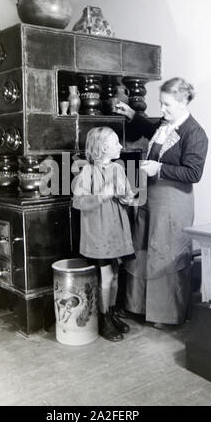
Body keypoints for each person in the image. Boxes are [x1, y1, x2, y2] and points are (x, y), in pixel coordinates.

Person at [115, 77, 208, 329]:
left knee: (166, 254)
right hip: (151, 198)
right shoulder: (165, 124)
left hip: (173, 203)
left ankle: (165, 315)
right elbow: (149, 128)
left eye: (166, 105)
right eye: (161, 103)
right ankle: (138, 307)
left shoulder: (195, 133)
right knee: (143, 250)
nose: (163, 109)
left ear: (182, 102)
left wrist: (160, 168)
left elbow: (194, 173)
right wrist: (131, 113)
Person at [72, 127, 135, 341]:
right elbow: (78, 202)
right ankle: (103, 318)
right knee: (106, 276)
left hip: (116, 232)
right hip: (99, 233)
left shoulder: (118, 168)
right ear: (102, 148)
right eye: (116, 142)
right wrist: (101, 196)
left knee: (116, 274)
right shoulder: (87, 172)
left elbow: (128, 195)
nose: (121, 146)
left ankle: (112, 313)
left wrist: (127, 198)